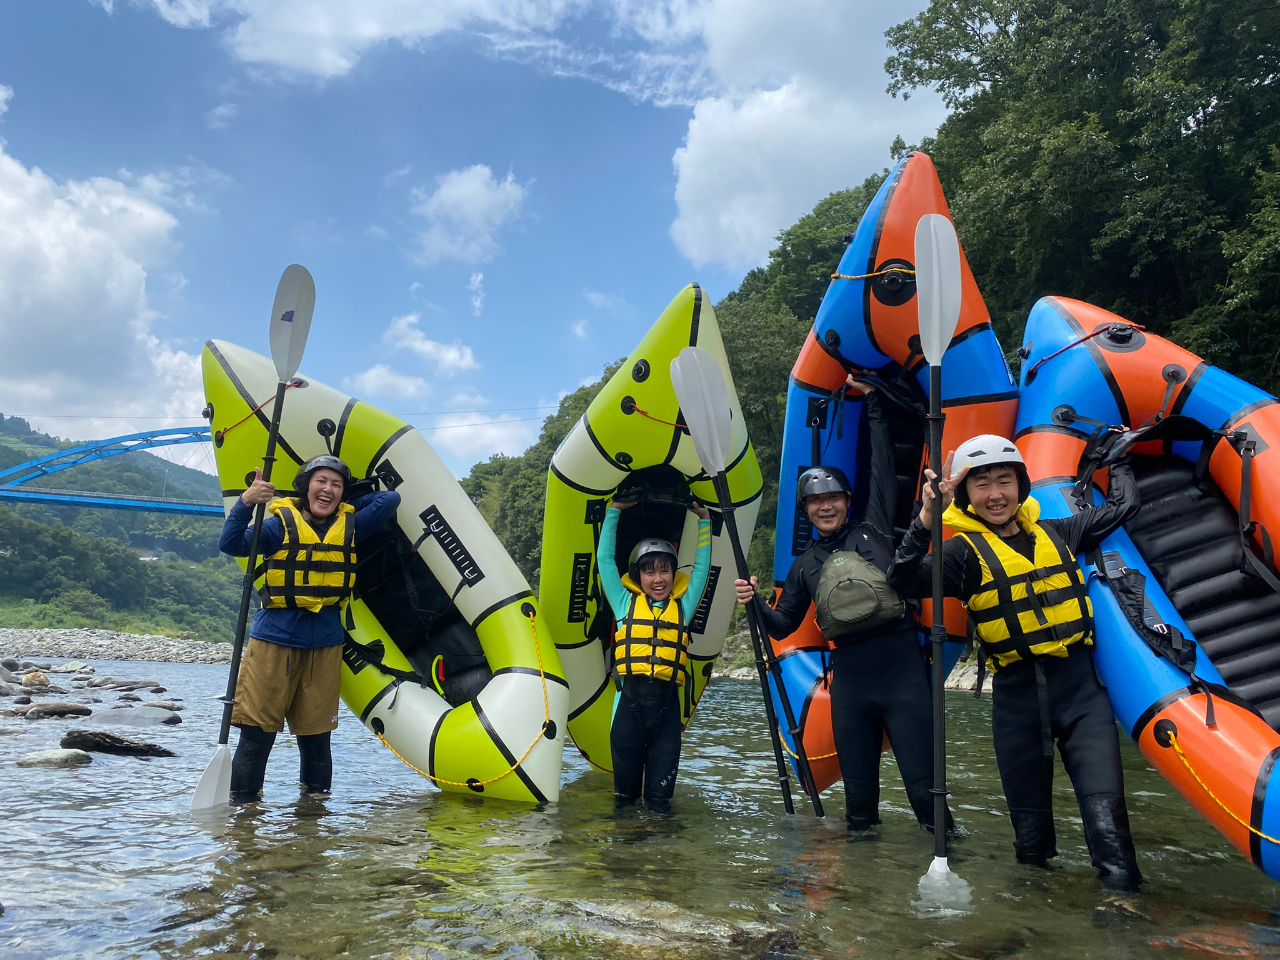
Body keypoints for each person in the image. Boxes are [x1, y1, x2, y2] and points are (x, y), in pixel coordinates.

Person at [886, 434, 1142, 892]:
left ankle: (1125, 911)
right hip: (1016, 706)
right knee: (1031, 845)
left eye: (1004, 480)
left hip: (1082, 697)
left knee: (1107, 820)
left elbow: (1123, 506)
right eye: (981, 485)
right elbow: (899, 581)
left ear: (1021, 484)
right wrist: (926, 518)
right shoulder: (961, 556)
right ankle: (1034, 926)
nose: (995, 494)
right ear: (965, 497)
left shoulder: (1060, 532)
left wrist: (1119, 456)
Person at [734, 377, 954, 837]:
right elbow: (781, 627)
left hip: (902, 672)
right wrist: (753, 602)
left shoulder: (873, 526)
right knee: (858, 807)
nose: (825, 507)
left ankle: (953, 874)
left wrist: (874, 402)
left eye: (832, 498)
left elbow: (880, 465)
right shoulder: (803, 566)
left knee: (924, 795)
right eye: (815, 502)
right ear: (807, 511)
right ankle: (860, 897)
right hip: (850, 681)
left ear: (847, 502)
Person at [219, 454, 400, 803]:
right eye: (320, 481)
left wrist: (346, 502)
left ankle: (312, 820)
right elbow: (231, 544)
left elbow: (389, 499)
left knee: (317, 740)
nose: (328, 490)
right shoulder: (277, 525)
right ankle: (245, 815)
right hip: (274, 641)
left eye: (336, 484)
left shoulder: (351, 525)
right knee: (257, 737)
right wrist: (246, 502)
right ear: (306, 487)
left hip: (325, 644)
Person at [597, 498, 713, 812]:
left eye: (665, 571)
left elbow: (702, 567)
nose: (658, 579)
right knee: (624, 803)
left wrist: (704, 521)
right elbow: (606, 561)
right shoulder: (623, 604)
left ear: (674, 574)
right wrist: (613, 513)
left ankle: (662, 860)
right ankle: (627, 858)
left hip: (666, 716)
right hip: (627, 714)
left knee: (661, 805)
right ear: (638, 576)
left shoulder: (684, 607)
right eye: (649, 572)